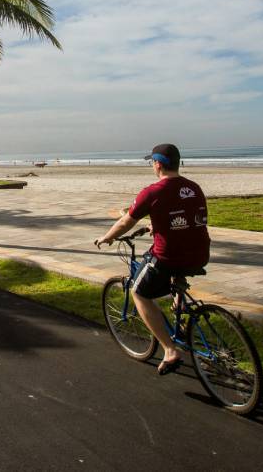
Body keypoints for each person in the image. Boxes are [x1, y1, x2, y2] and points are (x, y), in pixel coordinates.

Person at [95, 143, 210, 375]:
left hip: (169, 257)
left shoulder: (152, 192)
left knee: (139, 293)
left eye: (152, 162)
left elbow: (126, 222)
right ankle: (180, 303)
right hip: (200, 254)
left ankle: (169, 349)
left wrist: (107, 238)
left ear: (157, 164)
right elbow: (186, 218)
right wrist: (156, 224)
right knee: (175, 275)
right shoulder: (194, 188)